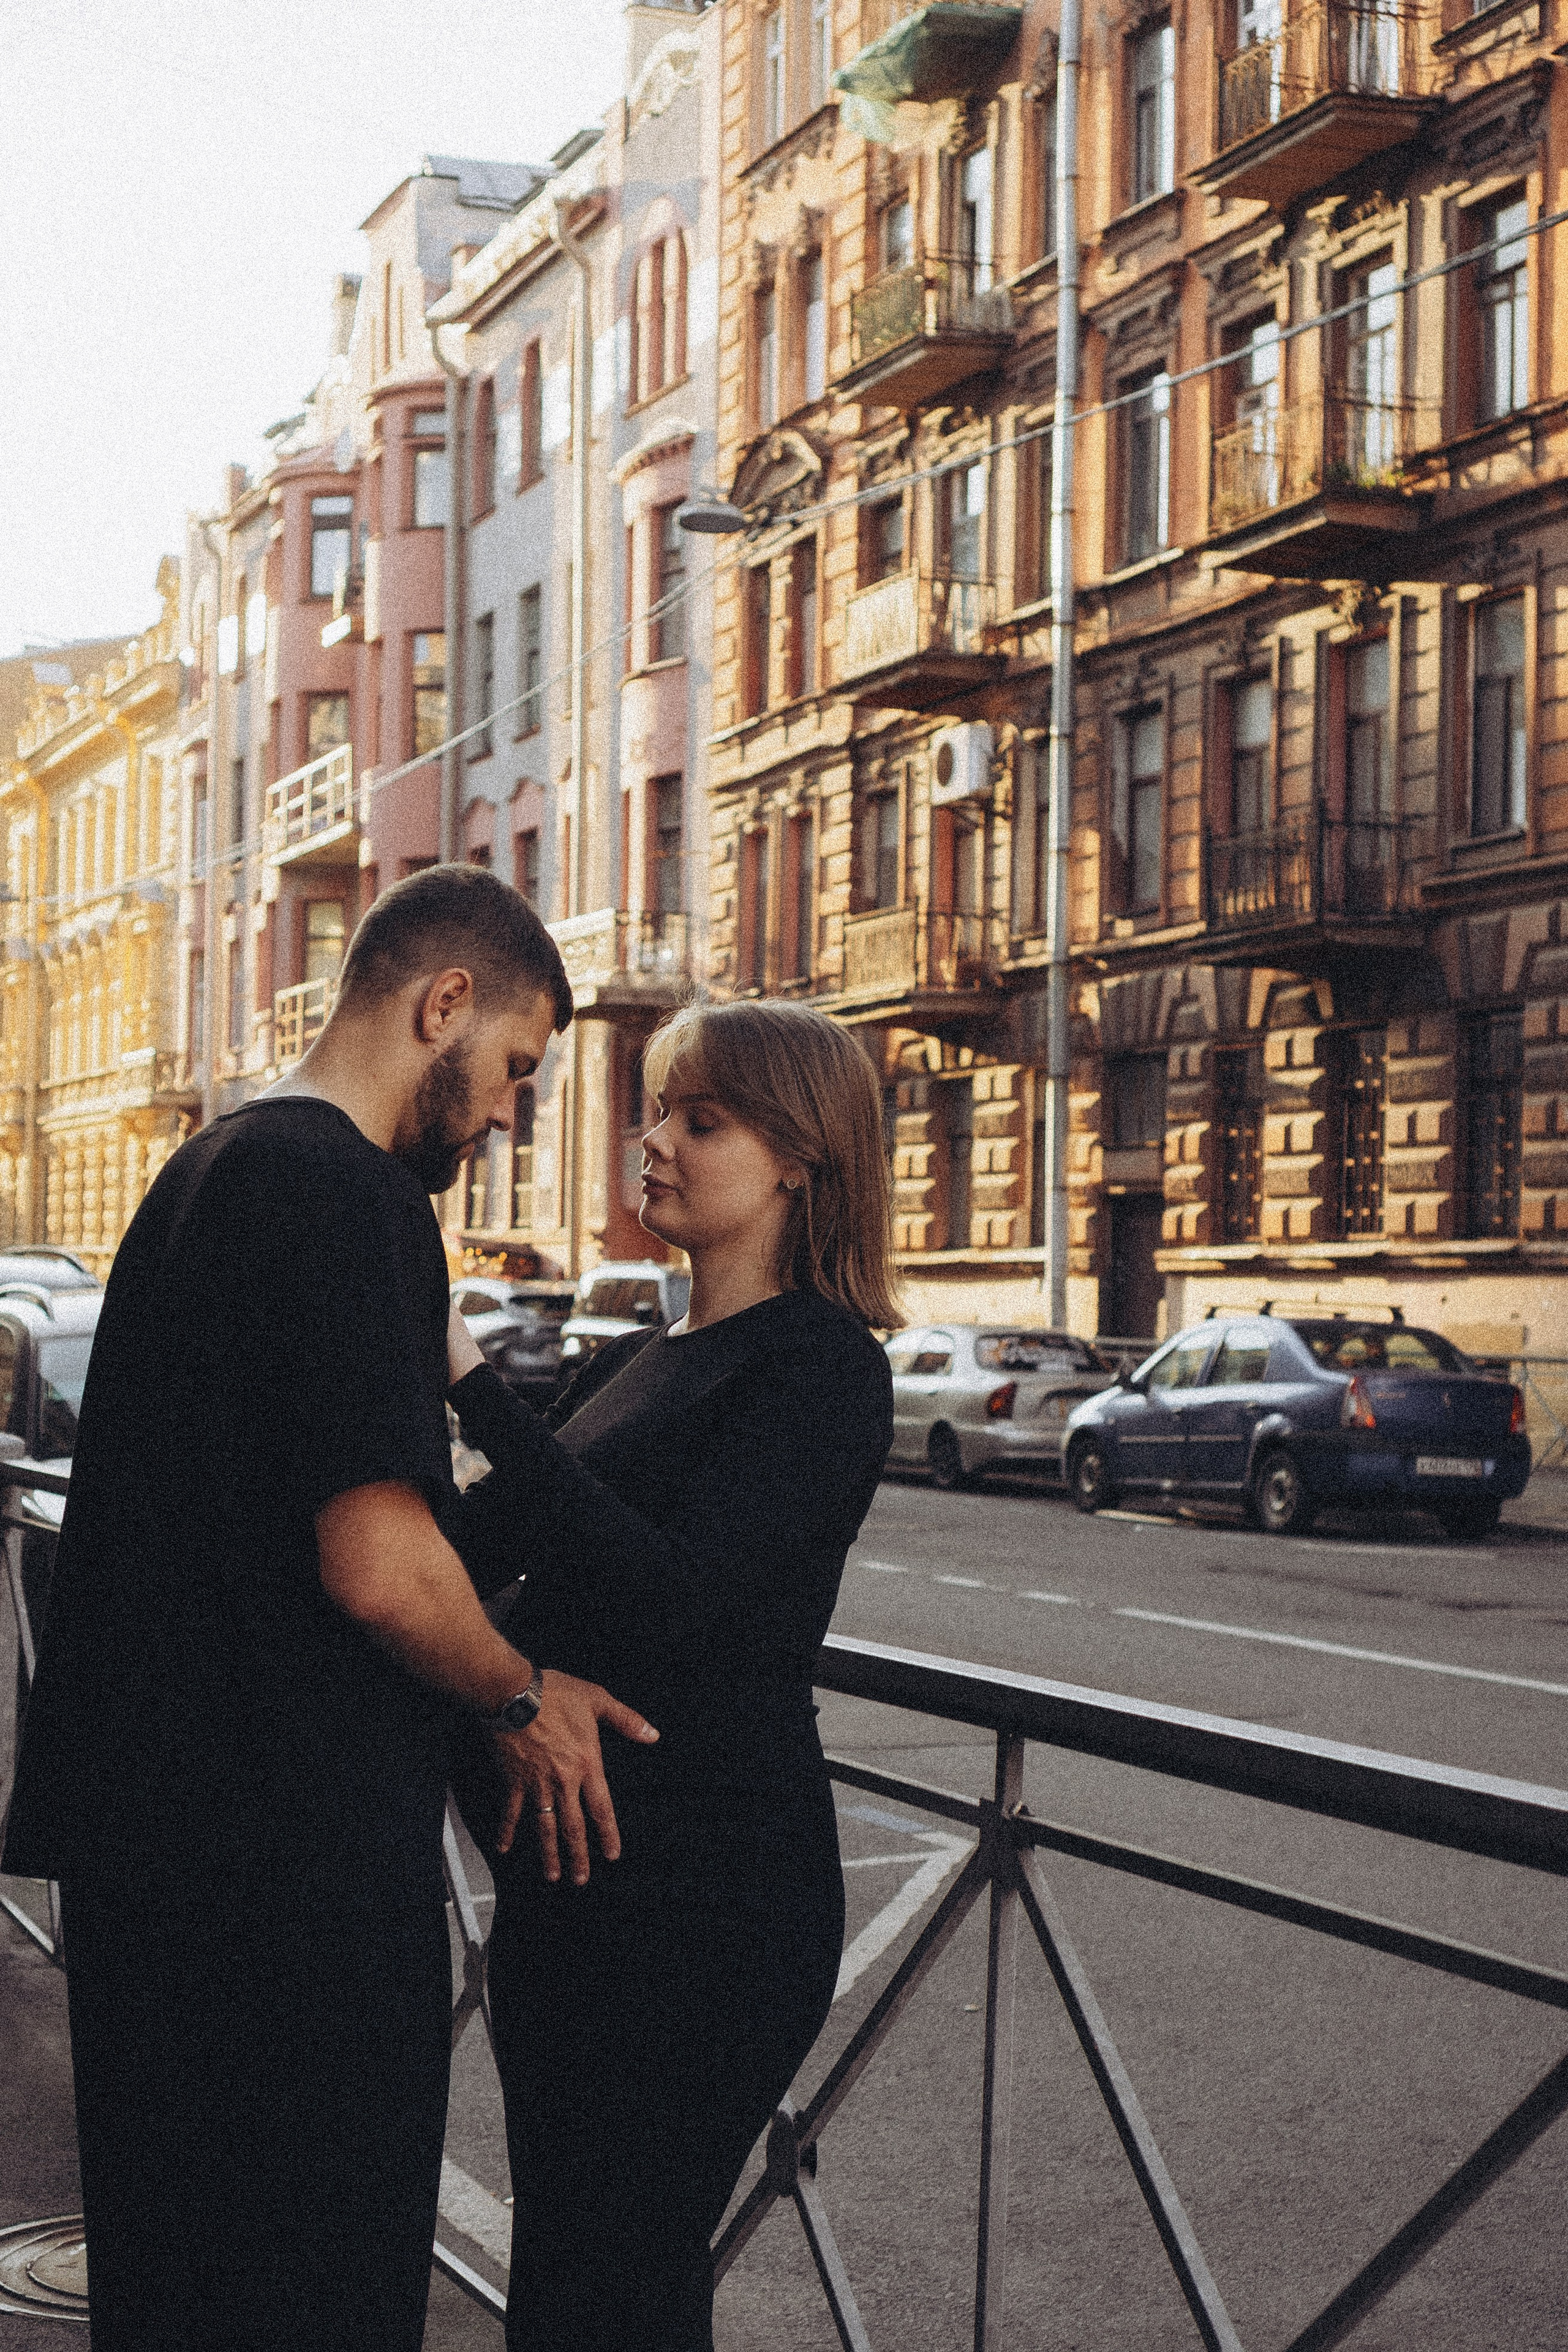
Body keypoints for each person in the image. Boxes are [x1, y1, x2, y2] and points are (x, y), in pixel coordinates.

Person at [2, 865, 657, 2352]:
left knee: (178, 2284)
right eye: (510, 1070)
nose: (503, 1118)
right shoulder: (344, 1196)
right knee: (317, 2287)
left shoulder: (210, 1169)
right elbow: (381, 1565)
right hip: (279, 1879)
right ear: (441, 1004)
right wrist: (517, 1697)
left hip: (156, 1860)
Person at [445, 997, 900, 2352]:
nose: (652, 1141)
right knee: (575, 2277)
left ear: (800, 1158)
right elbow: (478, 1557)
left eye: (699, 1118)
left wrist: (470, 1380)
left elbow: (678, 1601)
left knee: (624, 2280)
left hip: (709, 1904)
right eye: (652, 1108)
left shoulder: (822, 1367)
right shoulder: (638, 1358)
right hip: (574, 1893)